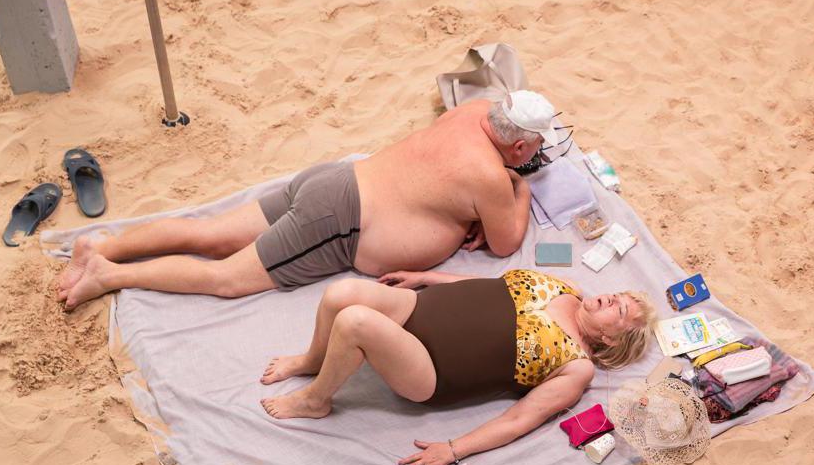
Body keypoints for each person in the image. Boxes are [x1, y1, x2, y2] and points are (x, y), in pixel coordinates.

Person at [57, 91, 562, 310]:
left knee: (209, 234)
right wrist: (516, 186)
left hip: (333, 182)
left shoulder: (473, 111)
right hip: (340, 222)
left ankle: (106, 243)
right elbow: (504, 243)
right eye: (534, 149)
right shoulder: (493, 176)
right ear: (518, 146)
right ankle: (109, 273)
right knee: (226, 278)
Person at [258, 268, 657, 465]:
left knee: (355, 321)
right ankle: (314, 358)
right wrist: (427, 279)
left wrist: (453, 449)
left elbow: (522, 418)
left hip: (432, 368)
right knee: (341, 293)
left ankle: (316, 400)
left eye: (619, 311)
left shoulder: (578, 365)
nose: (610, 299)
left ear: (609, 340)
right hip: (417, 307)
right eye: (618, 296)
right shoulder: (566, 287)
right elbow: (490, 286)